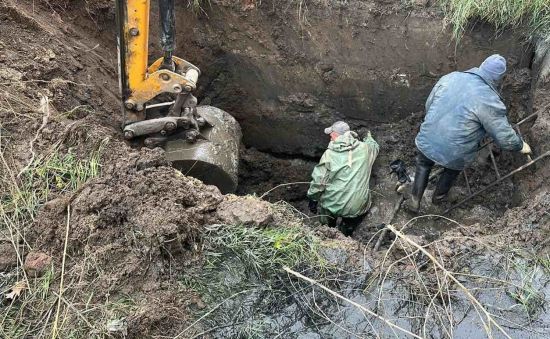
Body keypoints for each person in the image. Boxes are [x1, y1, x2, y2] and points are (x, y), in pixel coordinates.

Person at [408, 54, 532, 212]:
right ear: (499, 79)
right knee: (452, 169)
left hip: (428, 137)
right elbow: (503, 136)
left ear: (481, 66)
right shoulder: (489, 99)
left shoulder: (450, 77)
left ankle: (414, 199)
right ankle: (438, 198)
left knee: (423, 164)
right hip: (455, 151)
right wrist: (520, 145)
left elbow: (429, 105)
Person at [307, 121, 380, 236]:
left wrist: (313, 199)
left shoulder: (329, 154)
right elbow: (374, 146)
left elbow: (319, 181)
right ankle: (344, 236)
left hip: (332, 204)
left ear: (336, 135)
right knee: (348, 228)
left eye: (331, 134)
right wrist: (368, 135)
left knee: (325, 224)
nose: (330, 137)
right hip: (356, 206)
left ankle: (326, 233)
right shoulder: (365, 149)